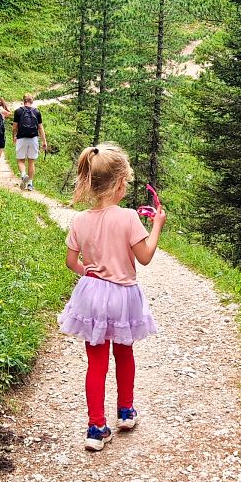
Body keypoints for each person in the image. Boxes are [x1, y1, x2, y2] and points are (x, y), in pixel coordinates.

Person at [57, 143, 165, 451]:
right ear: (119, 184)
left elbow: (71, 262)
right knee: (124, 353)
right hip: (122, 295)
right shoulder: (129, 217)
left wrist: (90, 273)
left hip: (92, 293)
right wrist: (156, 225)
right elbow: (144, 256)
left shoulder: (80, 220)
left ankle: (95, 427)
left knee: (96, 361)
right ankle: (126, 411)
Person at [11, 93, 49, 191]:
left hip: (21, 138)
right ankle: (30, 184)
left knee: (20, 160)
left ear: (23, 101)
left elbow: (15, 127)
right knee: (31, 162)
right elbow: (40, 128)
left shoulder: (18, 111)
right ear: (32, 101)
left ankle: (24, 175)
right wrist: (44, 141)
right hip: (33, 139)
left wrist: (14, 136)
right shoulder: (37, 112)